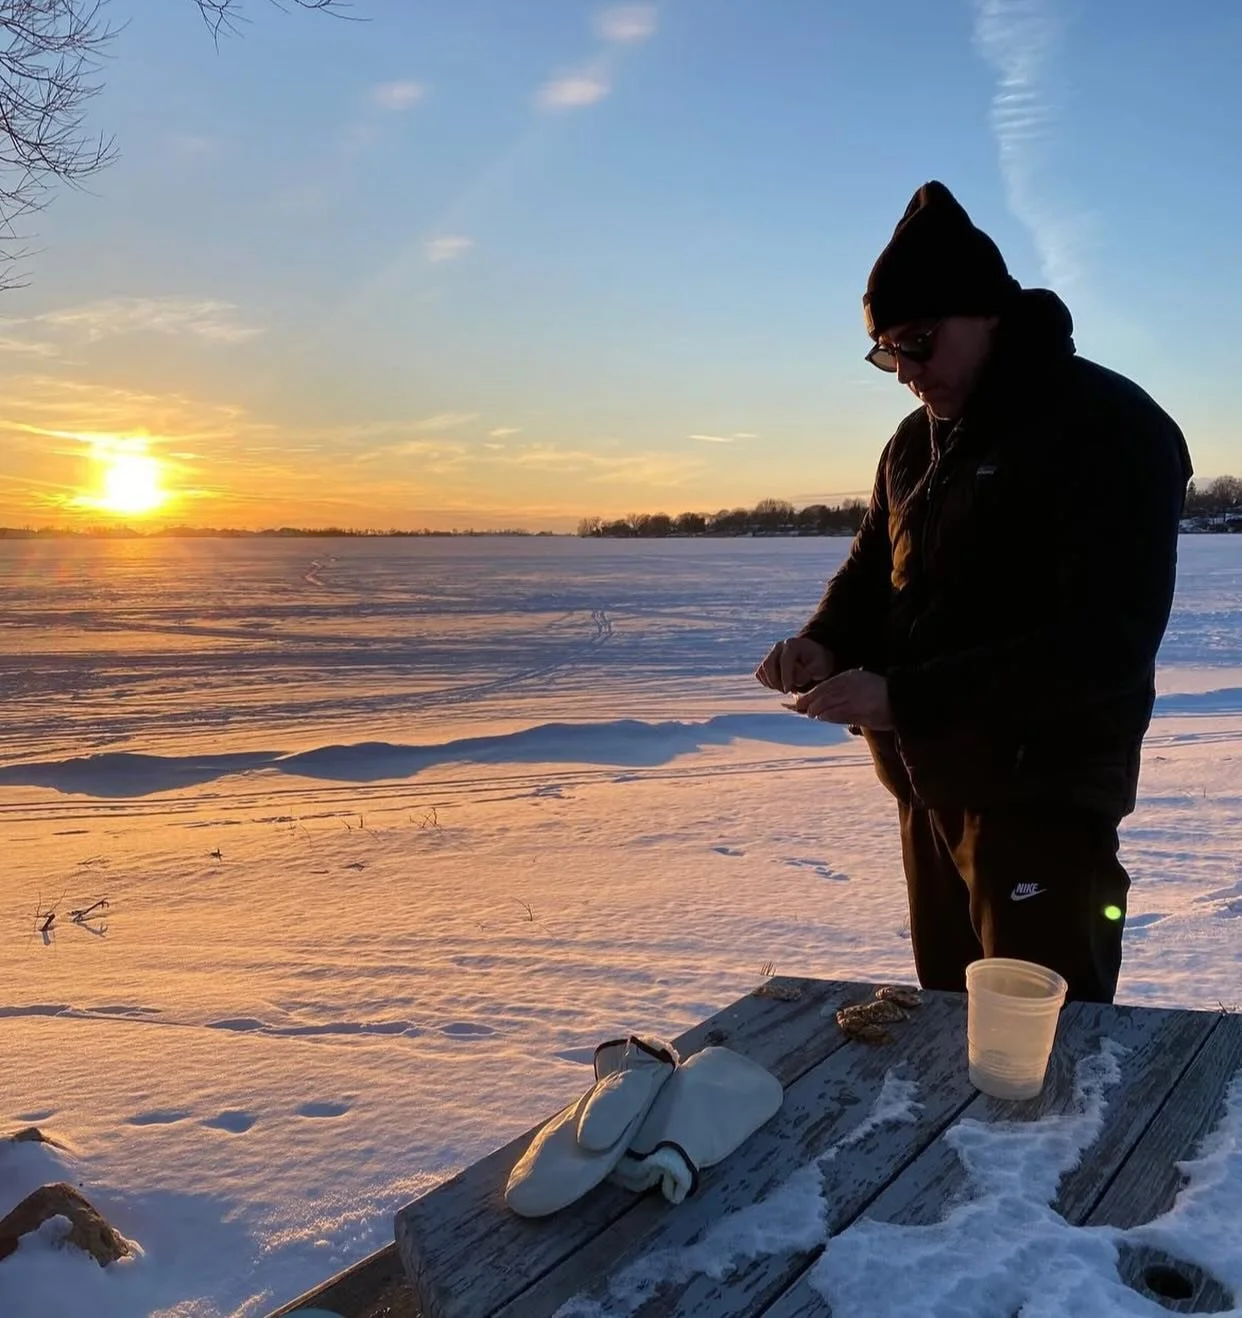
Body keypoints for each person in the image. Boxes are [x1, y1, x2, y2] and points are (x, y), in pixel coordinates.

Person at [755, 180, 1192, 1004]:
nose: (906, 374)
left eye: (919, 342)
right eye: (888, 353)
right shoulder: (914, 445)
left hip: (1044, 798)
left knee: (1048, 1052)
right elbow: (871, 569)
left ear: (988, 312)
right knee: (948, 1027)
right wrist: (826, 641)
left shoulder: (1108, 427)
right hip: (930, 783)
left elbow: (1107, 641)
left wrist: (906, 697)